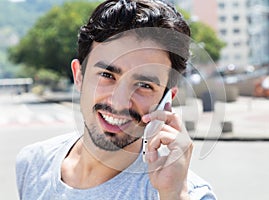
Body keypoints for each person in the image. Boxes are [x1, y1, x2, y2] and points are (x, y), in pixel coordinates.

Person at [16, 0, 217, 199]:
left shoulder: (187, 192)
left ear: (167, 99)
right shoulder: (33, 163)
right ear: (79, 76)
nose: (120, 103)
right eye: (107, 75)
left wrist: (174, 194)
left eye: (145, 85)